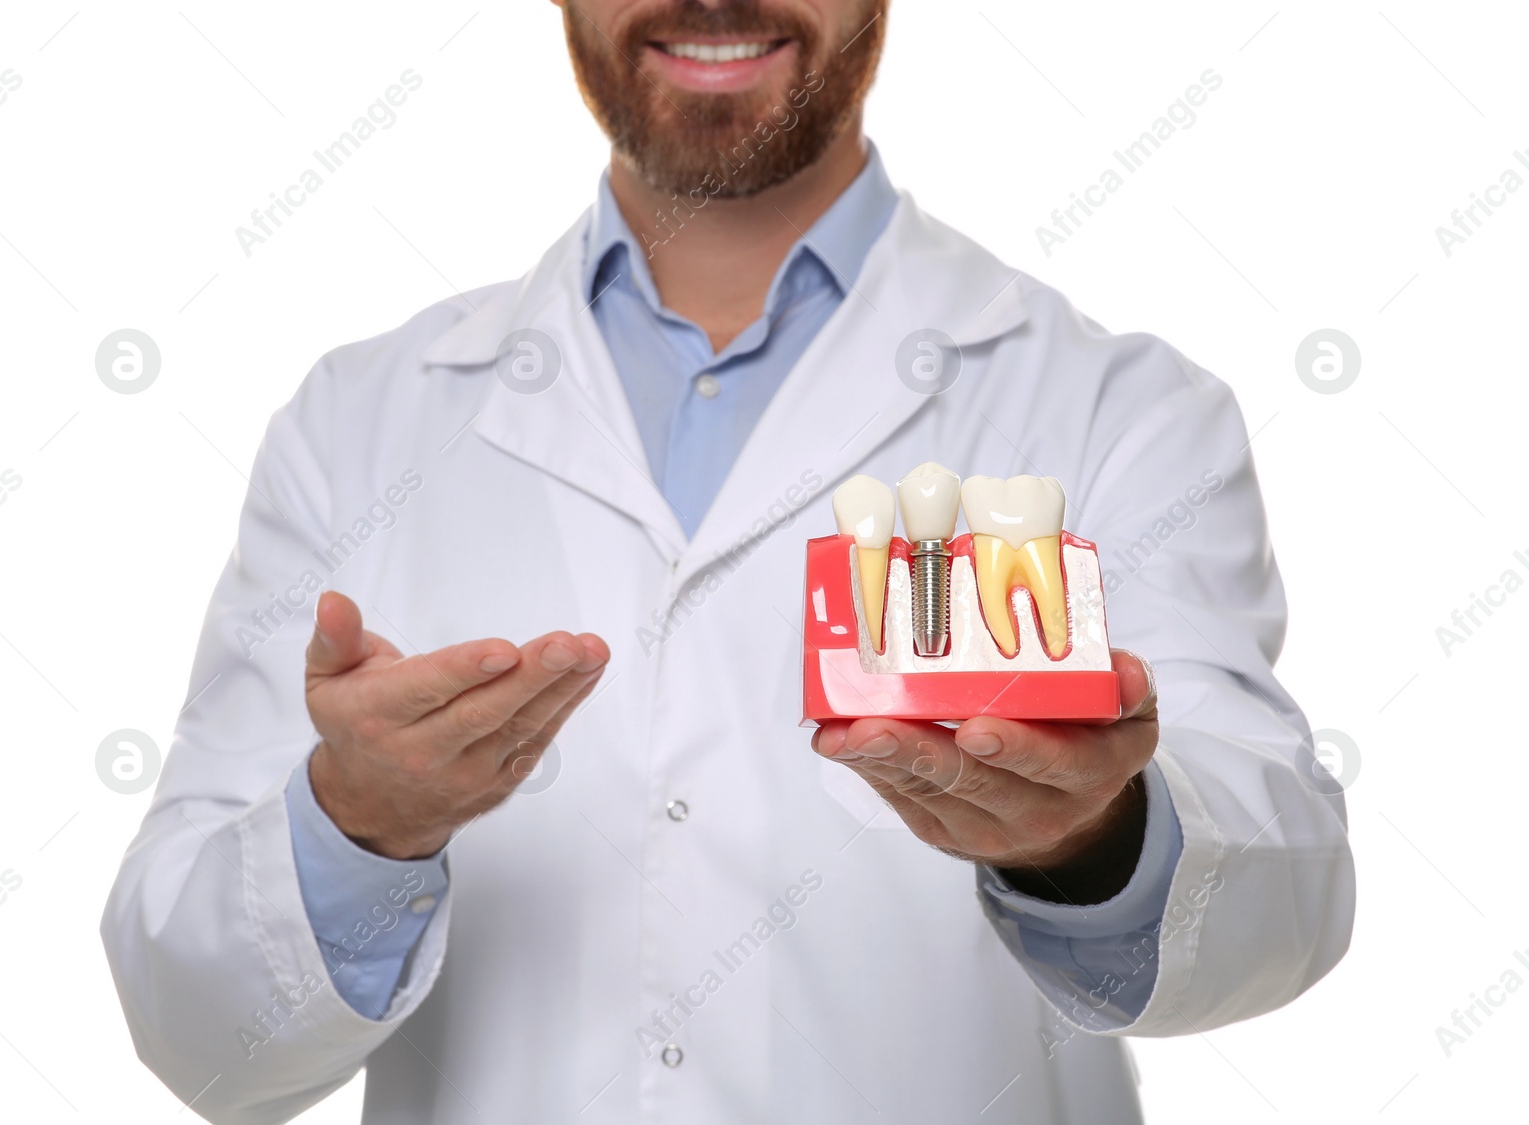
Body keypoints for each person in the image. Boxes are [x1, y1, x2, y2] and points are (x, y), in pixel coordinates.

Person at [101, 2, 1354, 1122]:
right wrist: (357, 826)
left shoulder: (1119, 407)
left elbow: (1285, 905)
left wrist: (1094, 839)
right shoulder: (358, 420)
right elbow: (198, 1036)